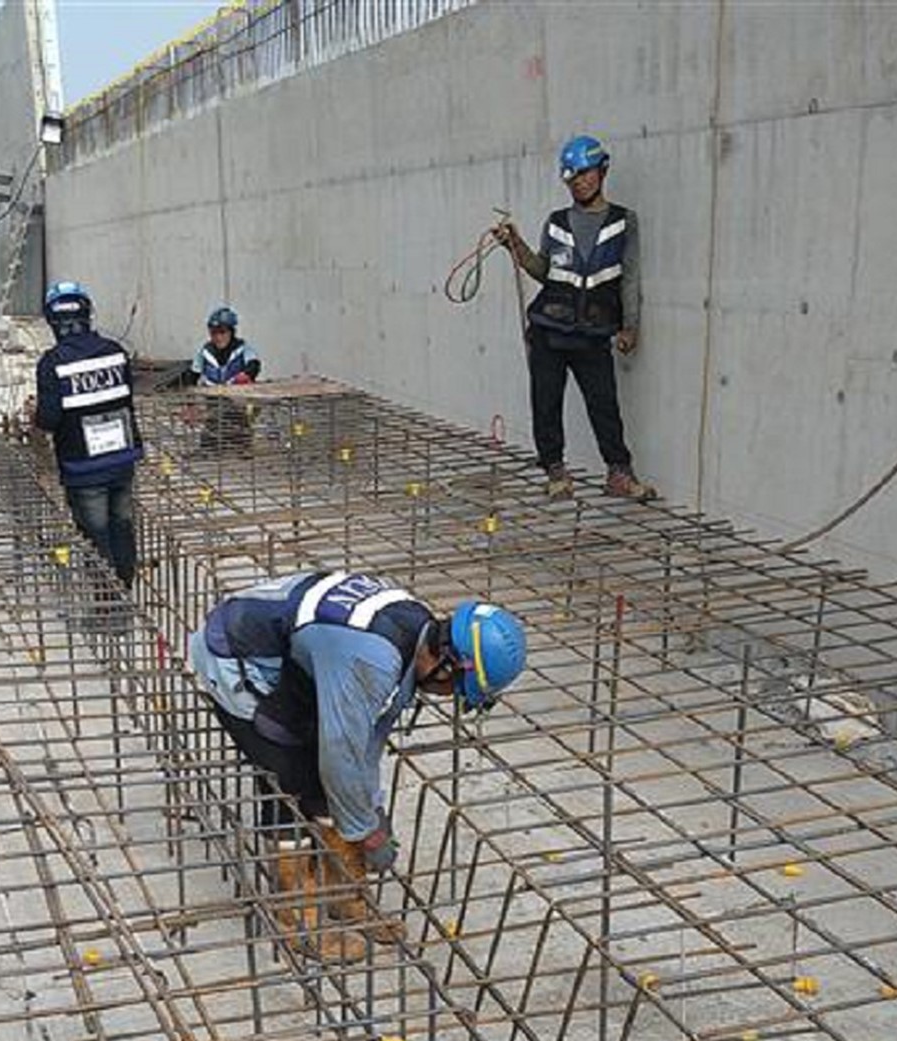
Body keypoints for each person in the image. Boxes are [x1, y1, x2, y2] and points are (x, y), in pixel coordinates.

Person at [190, 571, 528, 962]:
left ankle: (342, 895)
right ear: (448, 664)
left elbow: (366, 739)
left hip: (291, 654)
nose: (447, 696)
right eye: (455, 690)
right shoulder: (373, 658)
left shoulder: (412, 635)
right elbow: (340, 755)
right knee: (290, 778)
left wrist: (371, 809)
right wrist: (368, 834)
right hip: (236, 652)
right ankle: (295, 916)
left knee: (331, 781)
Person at [493, 134, 656, 502]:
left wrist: (630, 326)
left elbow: (630, 278)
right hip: (549, 331)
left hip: (593, 333)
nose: (579, 181)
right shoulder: (556, 222)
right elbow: (542, 270)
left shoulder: (623, 221)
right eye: (571, 176)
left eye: (585, 173)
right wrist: (514, 245)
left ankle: (619, 473)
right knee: (545, 402)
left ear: (601, 171)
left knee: (605, 405)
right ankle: (555, 471)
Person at [32, 281, 143, 586]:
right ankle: (126, 585)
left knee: (96, 535)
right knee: (121, 525)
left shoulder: (52, 363)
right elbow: (126, 399)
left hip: (83, 467)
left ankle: (109, 605)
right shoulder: (115, 352)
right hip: (122, 459)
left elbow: (49, 419)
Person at [172, 306, 262, 451]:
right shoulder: (206, 351)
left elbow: (254, 364)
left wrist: (246, 375)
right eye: (214, 333)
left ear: (231, 332)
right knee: (213, 426)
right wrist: (190, 404)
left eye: (222, 332)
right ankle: (209, 449)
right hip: (213, 397)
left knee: (239, 424)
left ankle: (242, 446)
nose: (218, 337)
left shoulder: (242, 348)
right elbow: (192, 375)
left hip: (236, 397)